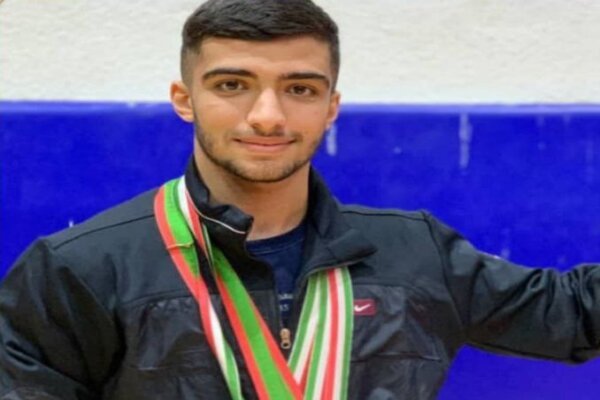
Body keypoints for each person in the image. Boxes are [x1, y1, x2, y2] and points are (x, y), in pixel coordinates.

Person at [1, 1, 600, 399]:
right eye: (232, 85)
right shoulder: (81, 268)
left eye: (300, 89)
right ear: (184, 99)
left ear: (331, 107)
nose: (268, 115)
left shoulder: (416, 254)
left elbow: (573, 315)